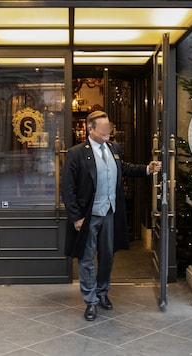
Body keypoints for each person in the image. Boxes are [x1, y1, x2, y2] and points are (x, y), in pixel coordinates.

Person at [61, 110, 161, 321]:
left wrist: (147, 169)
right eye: (104, 128)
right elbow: (67, 189)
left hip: (110, 213)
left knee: (107, 255)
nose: (108, 131)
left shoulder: (114, 148)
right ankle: (90, 301)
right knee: (87, 258)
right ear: (91, 129)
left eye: (109, 127)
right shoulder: (77, 153)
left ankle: (102, 292)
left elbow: (122, 168)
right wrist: (77, 217)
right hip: (88, 215)